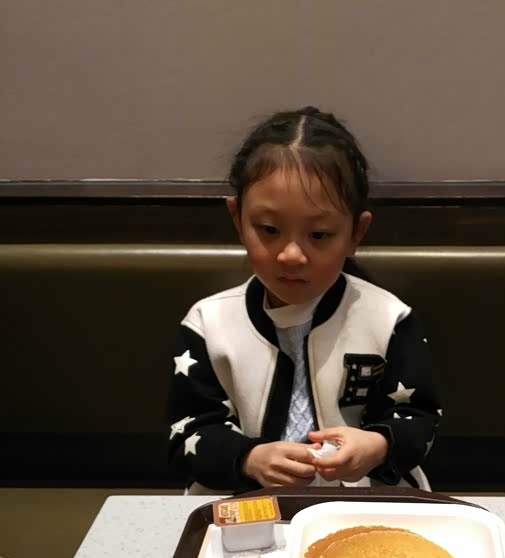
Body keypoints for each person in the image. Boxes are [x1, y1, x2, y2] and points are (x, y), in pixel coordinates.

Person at [167, 106, 441, 494]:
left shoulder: (387, 319)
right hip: (245, 505)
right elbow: (189, 433)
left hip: (364, 502)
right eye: (269, 229)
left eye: (319, 235)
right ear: (237, 219)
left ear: (356, 233)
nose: (291, 254)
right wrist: (247, 458)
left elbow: (419, 418)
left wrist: (378, 445)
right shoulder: (208, 324)